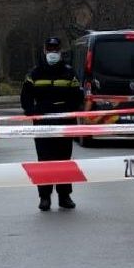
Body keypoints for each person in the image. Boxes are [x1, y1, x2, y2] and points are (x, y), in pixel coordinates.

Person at [21, 36, 84, 211]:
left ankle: (64, 196)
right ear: (44, 50)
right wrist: (33, 112)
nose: (52, 52)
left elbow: (78, 95)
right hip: (43, 123)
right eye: (50, 49)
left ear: (60, 50)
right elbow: (25, 96)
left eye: (55, 49)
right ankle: (45, 198)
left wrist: (70, 110)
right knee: (44, 161)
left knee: (64, 160)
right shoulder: (35, 73)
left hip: (64, 122)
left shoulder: (68, 72)